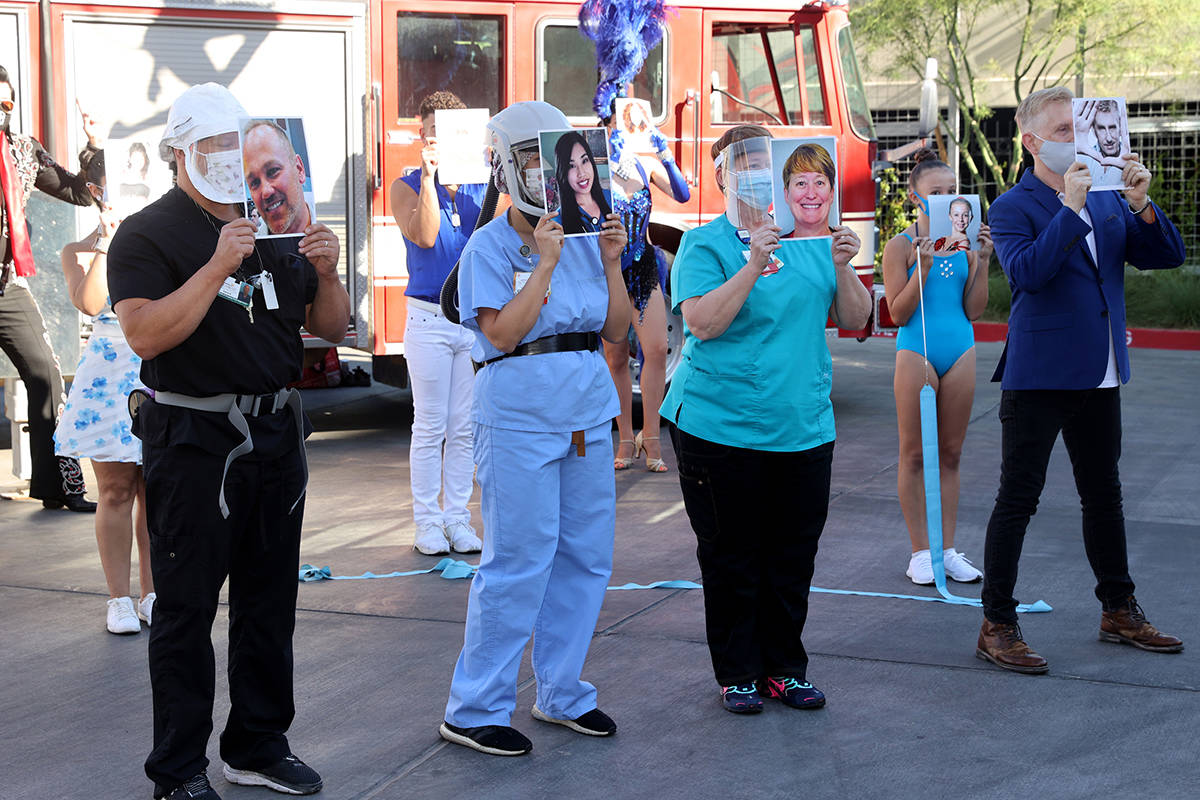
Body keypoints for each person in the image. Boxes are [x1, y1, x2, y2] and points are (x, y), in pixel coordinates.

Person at [107, 82, 350, 799]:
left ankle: (257, 743)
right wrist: (216, 267)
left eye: (230, 144)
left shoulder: (271, 223)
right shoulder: (148, 232)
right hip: (193, 441)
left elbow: (332, 328)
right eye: (207, 146)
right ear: (179, 153)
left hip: (276, 432)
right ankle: (178, 771)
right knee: (185, 610)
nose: (223, 160)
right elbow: (145, 333)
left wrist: (329, 273)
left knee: (270, 602)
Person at [439, 101, 630, 756]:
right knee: (518, 560)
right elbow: (501, 332)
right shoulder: (488, 246)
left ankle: (562, 690)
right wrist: (545, 265)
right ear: (504, 166)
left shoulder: (586, 236)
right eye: (530, 160)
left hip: (583, 405)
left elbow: (614, 330)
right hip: (518, 410)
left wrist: (608, 261)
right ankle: (476, 706)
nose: (544, 173)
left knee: (584, 555)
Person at [976, 86, 1185, 675]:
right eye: (1064, 130)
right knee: (1019, 499)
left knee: (1104, 495)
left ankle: (1118, 609)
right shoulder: (1015, 206)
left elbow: (1166, 255)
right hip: (1039, 374)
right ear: (1033, 141)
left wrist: (1143, 205)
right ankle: (997, 622)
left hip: (1101, 370)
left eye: (1080, 127)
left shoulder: (1111, 195)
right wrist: (1069, 209)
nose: (1078, 139)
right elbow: (1027, 274)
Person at [661, 128, 871, 714]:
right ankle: (738, 673)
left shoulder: (814, 244)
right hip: (718, 429)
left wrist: (845, 266)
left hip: (803, 427)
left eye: (763, 162)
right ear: (724, 176)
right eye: (742, 164)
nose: (754, 172)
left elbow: (856, 319)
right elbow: (703, 323)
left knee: (792, 555)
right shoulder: (706, 246)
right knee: (732, 556)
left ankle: (785, 667)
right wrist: (753, 262)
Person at [54, 154, 156, 634]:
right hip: (109, 376)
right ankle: (118, 599)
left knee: (156, 493)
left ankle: (153, 593)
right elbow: (93, 301)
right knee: (115, 491)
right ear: (96, 193)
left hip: (158, 366)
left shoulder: (162, 232)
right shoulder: (78, 249)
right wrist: (108, 244)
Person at [881, 150, 990, 586]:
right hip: (916, 351)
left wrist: (982, 260)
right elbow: (897, 314)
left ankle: (946, 549)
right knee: (913, 453)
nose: (946, 199)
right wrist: (921, 267)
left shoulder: (965, 246)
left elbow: (974, 310)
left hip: (960, 348)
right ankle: (920, 552)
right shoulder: (900, 246)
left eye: (952, 192)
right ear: (915, 199)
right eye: (936, 193)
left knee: (950, 453)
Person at [388, 90, 486, 556]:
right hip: (427, 317)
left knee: (463, 425)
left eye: (446, 134)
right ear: (421, 136)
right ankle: (427, 521)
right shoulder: (404, 185)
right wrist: (429, 176)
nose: (436, 141)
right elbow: (425, 235)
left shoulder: (480, 186)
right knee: (429, 425)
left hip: (468, 320)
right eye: (430, 133)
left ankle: (457, 517)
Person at [0, 64, 98, 512]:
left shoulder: (22, 151)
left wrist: (93, 143)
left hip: (8, 287)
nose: (2, 111)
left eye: (6, 103)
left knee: (47, 377)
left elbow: (83, 193)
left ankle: (58, 486)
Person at [602, 101, 690, 473]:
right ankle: (625, 438)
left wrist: (664, 153)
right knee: (616, 358)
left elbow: (682, 194)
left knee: (656, 348)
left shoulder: (645, 164)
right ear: (606, 124)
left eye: (631, 120)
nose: (626, 126)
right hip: (609, 270)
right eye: (619, 121)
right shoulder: (594, 168)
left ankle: (651, 436)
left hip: (642, 265)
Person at [242, 120, 311, 235]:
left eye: (273, 171)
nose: (266, 192)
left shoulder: (328, 220)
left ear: (299, 170)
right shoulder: (252, 248)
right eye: (254, 182)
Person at [552, 130, 610, 235]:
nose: (581, 173)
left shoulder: (610, 197)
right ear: (563, 173)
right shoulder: (557, 220)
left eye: (584, 161)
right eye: (572, 166)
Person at [780, 143, 835, 238]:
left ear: (831, 194)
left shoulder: (845, 246)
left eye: (819, 183)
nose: (811, 195)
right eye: (801, 183)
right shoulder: (776, 249)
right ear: (786, 194)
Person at [1075, 98, 1126, 189]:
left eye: (1112, 127)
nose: (1109, 138)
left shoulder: (1129, 162)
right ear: (1094, 131)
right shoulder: (1081, 160)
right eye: (1102, 129)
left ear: (1120, 127)